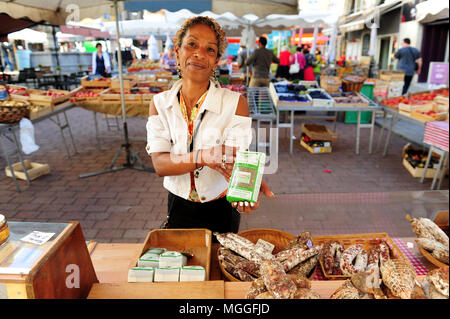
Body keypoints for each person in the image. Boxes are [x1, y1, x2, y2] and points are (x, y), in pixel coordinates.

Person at [146, 16, 274, 235]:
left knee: (219, 266)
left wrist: (247, 180)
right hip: (178, 204)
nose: (199, 54)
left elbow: (233, 158)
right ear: (178, 51)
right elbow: (160, 164)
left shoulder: (235, 104)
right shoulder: (159, 104)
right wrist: (205, 156)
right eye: (192, 44)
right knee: (181, 265)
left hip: (221, 208)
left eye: (210, 50)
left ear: (216, 61)